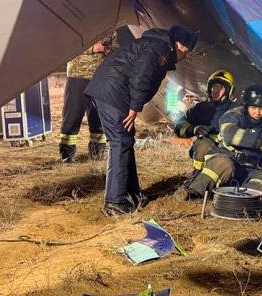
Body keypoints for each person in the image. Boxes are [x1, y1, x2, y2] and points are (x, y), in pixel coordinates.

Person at [84, 25, 198, 215]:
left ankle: (132, 193)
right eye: (187, 51)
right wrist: (134, 107)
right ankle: (114, 201)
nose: (186, 55)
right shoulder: (159, 48)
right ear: (180, 46)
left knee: (126, 140)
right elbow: (141, 75)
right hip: (112, 93)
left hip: (115, 91)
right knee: (119, 142)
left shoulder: (158, 46)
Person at [187, 85, 262, 199]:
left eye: (261, 108)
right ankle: (193, 192)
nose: (257, 112)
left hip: (250, 169)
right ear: (246, 106)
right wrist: (259, 142)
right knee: (223, 163)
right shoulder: (233, 115)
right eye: (253, 108)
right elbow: (229, 135)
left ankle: (238, 200)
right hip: (228, 158)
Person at [59, 33, 117, 163]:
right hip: (77, 75)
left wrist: (111, 50)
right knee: (72, 116)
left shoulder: (111, 27)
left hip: (100, 77)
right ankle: (67, 156)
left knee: (98, 119)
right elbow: (67, 46)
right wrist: (93, 49)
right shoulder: (80, 25)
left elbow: (116, 47)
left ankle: (98, 154)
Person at [174, 70, 235, 177]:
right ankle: (197, 175)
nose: (216, 90)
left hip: (229, 153)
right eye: (214, 86)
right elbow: (179, 125)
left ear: (228, 91)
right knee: (203, 143)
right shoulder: (200, 108)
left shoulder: (235, 110)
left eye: (220, 87)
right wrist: (194, 129)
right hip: (203, 151)